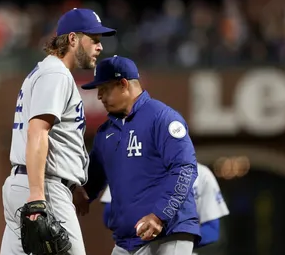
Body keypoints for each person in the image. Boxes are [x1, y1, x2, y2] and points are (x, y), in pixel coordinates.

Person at [0, 8, 116, 255]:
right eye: (94, 39)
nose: (99, 47)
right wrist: (37, 196)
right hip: (44, 188)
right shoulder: (56, 74)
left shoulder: (45, 71)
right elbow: (38, 132)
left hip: (26, 185)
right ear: (72, 39)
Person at [73, 55, 201, 255]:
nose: (99, 96)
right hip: (127, 241)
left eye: (104, 89)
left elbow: (184, 169)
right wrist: (80, 193)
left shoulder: (162, 118)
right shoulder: (105, 133)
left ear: (123, 84)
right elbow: (93, 179)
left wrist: (160, 215)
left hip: (169, 233)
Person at [100, 163, 230, 255]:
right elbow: (108, 215)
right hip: (133, 246)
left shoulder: (201, 173)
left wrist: (174, 237)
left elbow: (212, 230)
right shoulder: (129, 169)